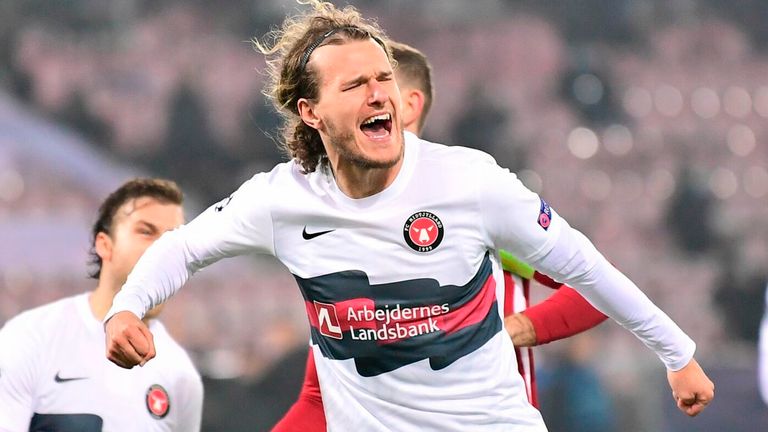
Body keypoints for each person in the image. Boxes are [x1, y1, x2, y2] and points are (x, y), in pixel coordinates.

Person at [103, 1, 713, 430]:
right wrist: (127, 308)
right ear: (311, 112)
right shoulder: (281, 201)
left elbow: (584, 267)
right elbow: (182, 247)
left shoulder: (470, 183)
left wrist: (677, 354)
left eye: (383, 78)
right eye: (354, 85)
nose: (378, 94)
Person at [271, 40, 609, 431]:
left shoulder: (468, 209)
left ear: (409, 104)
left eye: (379, 84)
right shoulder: (343, 233)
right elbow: (317, 400)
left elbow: (596, 287)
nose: (369, 98)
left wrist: (512, 330)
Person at [0, 179, 203, 432]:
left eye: (173, 239)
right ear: (105, 245)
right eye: (146, 231)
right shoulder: (31, 337)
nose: (163, 249)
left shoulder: (182, 375)